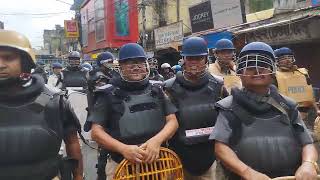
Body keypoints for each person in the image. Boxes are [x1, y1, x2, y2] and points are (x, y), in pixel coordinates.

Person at [210, 42, 318, 180]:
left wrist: (308, 164)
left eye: (263, 65)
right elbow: (220, 147)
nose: (257, 70)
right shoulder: (228, 108)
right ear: (240, 72)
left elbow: (306, 142)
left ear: (272, 70)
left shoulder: (288, 106)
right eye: (250, 67)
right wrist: (247, 172)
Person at [87, 43, 179, 180]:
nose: (136, 67)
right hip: (122, 165)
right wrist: (124, 149)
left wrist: (157, 141)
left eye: (140, 62)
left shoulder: (157, 89)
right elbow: (96, 132)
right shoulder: (107, 93)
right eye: (130, 63)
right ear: (121, 67)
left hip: (159, 164)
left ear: (146, 65)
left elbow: (173, 121)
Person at [0, 30, 83, 180]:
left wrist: (78, 177)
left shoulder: (53, 100)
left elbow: (72, 142)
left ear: (25, 61)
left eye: (8, 58)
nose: (0, 64)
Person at [164, 37, 228, 180]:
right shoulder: (168, 88)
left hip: (210, 156)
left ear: (206, 59)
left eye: (198, 58)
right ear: (184, 59)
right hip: (177, 157)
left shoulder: (218, 85)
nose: (194, 62)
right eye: (190, 58)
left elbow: (227, 119)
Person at [86, 51, 117, 180]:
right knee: (105, 150)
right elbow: (107, 93)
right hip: (102, 116)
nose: (112, 64)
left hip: (103, 114)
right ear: (102, 63)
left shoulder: (105, 74)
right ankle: (102, 175)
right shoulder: (99, 77)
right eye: (109, 62)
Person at [274, 47, 319, 128]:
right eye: (283, 58)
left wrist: (317, 109)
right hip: (286, 113)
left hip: (307, 112)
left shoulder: (303, 73)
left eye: (289, 57)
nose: (287, 60)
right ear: (277, 61)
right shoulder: (275, 76)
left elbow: (310, 93)